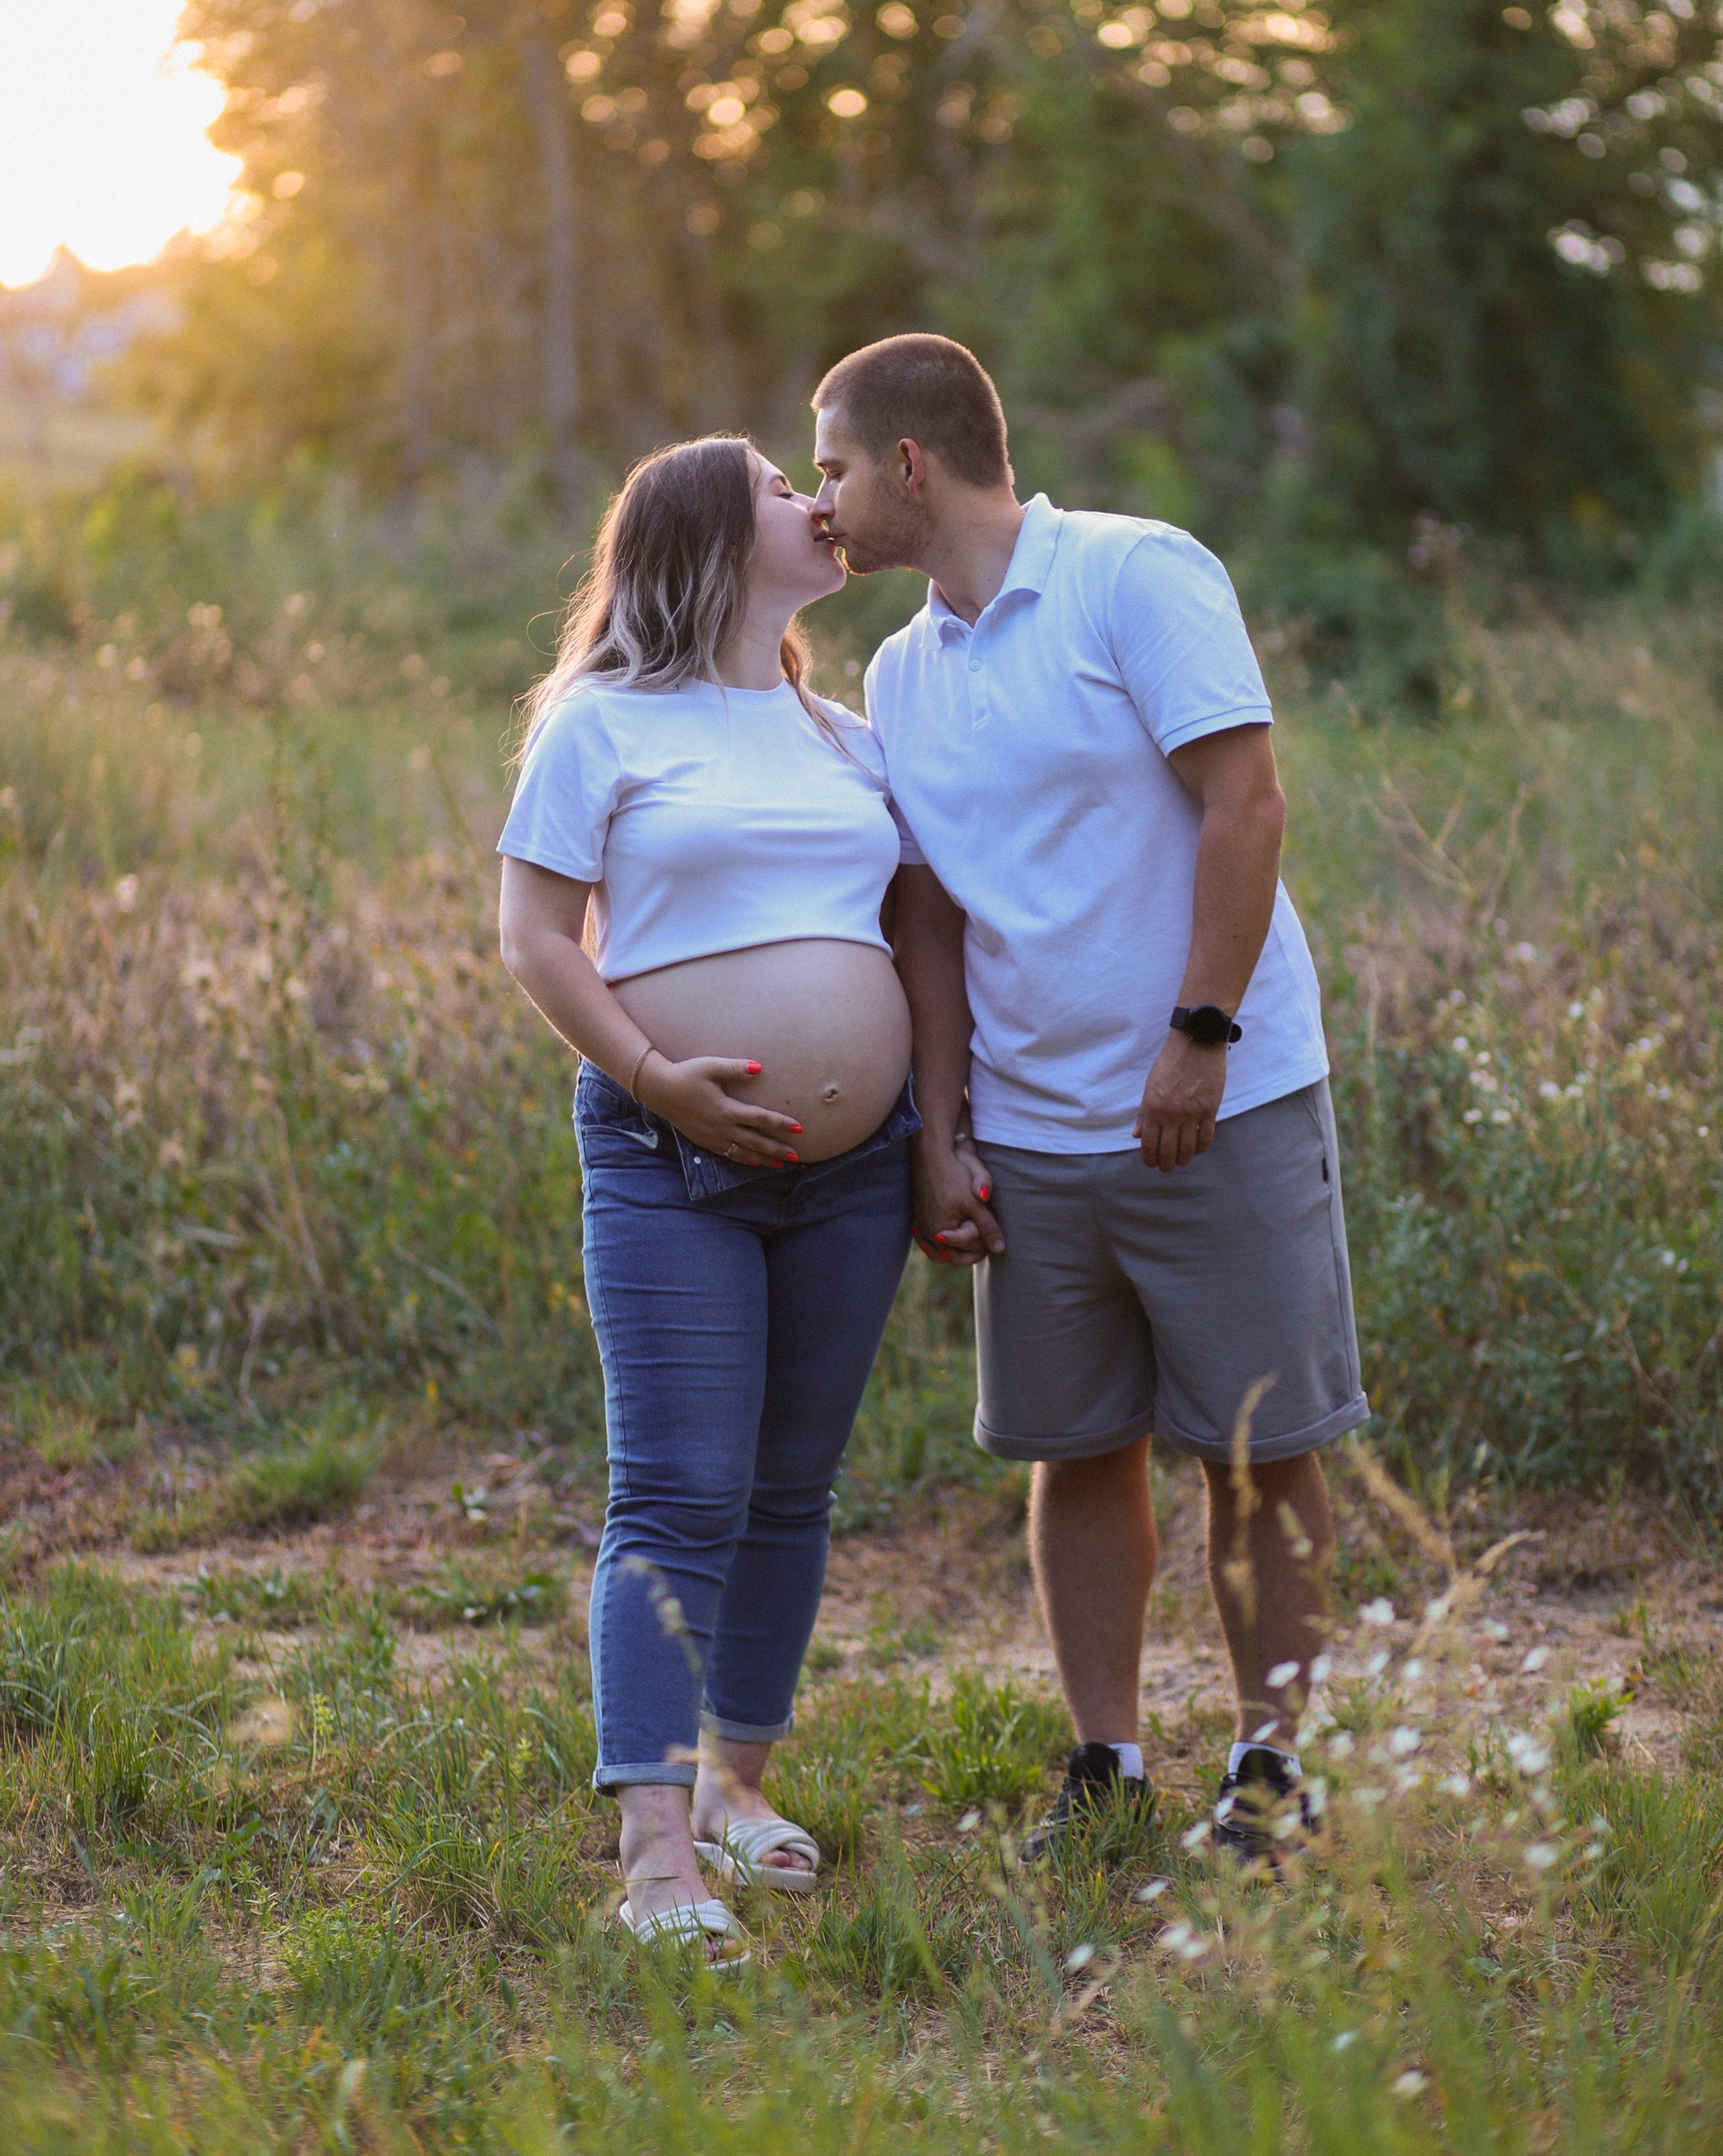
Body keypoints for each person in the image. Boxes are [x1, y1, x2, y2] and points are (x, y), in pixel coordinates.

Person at [810, 335, 1369, 1867]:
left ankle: (1269, 1765)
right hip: (1033, 1136)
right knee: (1077, 1448)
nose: (823, 502)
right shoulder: (900, 669)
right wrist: (941, 1127)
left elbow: (1244, 801)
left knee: (1258, 1448)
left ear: (908, 466)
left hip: (1218, 1102)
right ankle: (1106, 1760)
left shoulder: (1137, 574)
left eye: (834, 467)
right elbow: (927, 918)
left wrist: (1199, 1031)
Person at [496, 436, 919, 1963]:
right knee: (674, 1492)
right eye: (772, 478)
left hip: (855, 1167)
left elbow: (910, 943)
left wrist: (932, 1138)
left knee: (790, 1488)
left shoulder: (848, 736)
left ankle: (739, 1782)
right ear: (700, 533)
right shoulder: (602, 724)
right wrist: (654, 1076)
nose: (816, 497)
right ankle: (655, 1849)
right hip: (664, 1152)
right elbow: (538, 938)